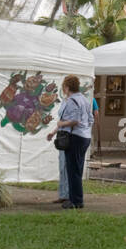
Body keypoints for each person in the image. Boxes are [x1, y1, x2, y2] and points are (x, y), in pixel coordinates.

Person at [49, 75, 92, 210]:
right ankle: (76, 199)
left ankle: (75, 201)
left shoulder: (72, 101)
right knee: (76, 170)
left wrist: (61, 123)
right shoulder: (85, 100)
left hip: (75, 137)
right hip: (85, 136)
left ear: (67, 88)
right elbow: (90, 119)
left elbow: (75, 120)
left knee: (72, 170)